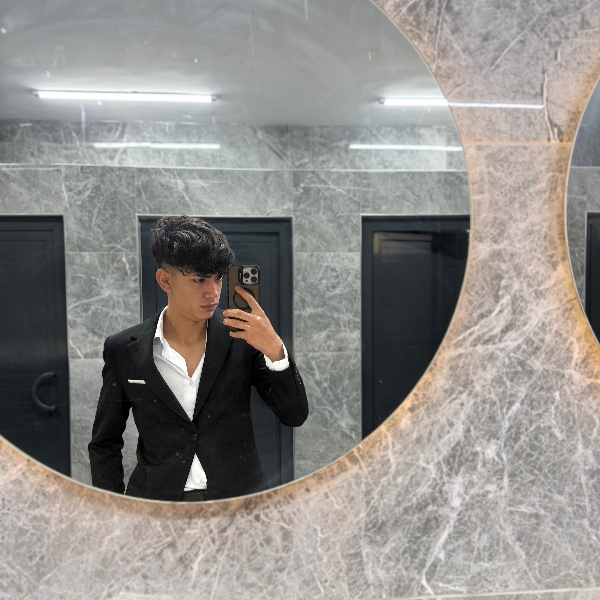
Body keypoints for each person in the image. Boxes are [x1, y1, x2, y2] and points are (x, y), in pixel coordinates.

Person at [88, 216, 308, 501]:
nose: (213, 292)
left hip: (238, 501)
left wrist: (275, 351)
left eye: (218, 278)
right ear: (165, 280)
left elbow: (294, 415)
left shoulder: (242, 338)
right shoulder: (123, 349)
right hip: (159, 503)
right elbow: (105, 443)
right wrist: (114, 509)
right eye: (199, 280)